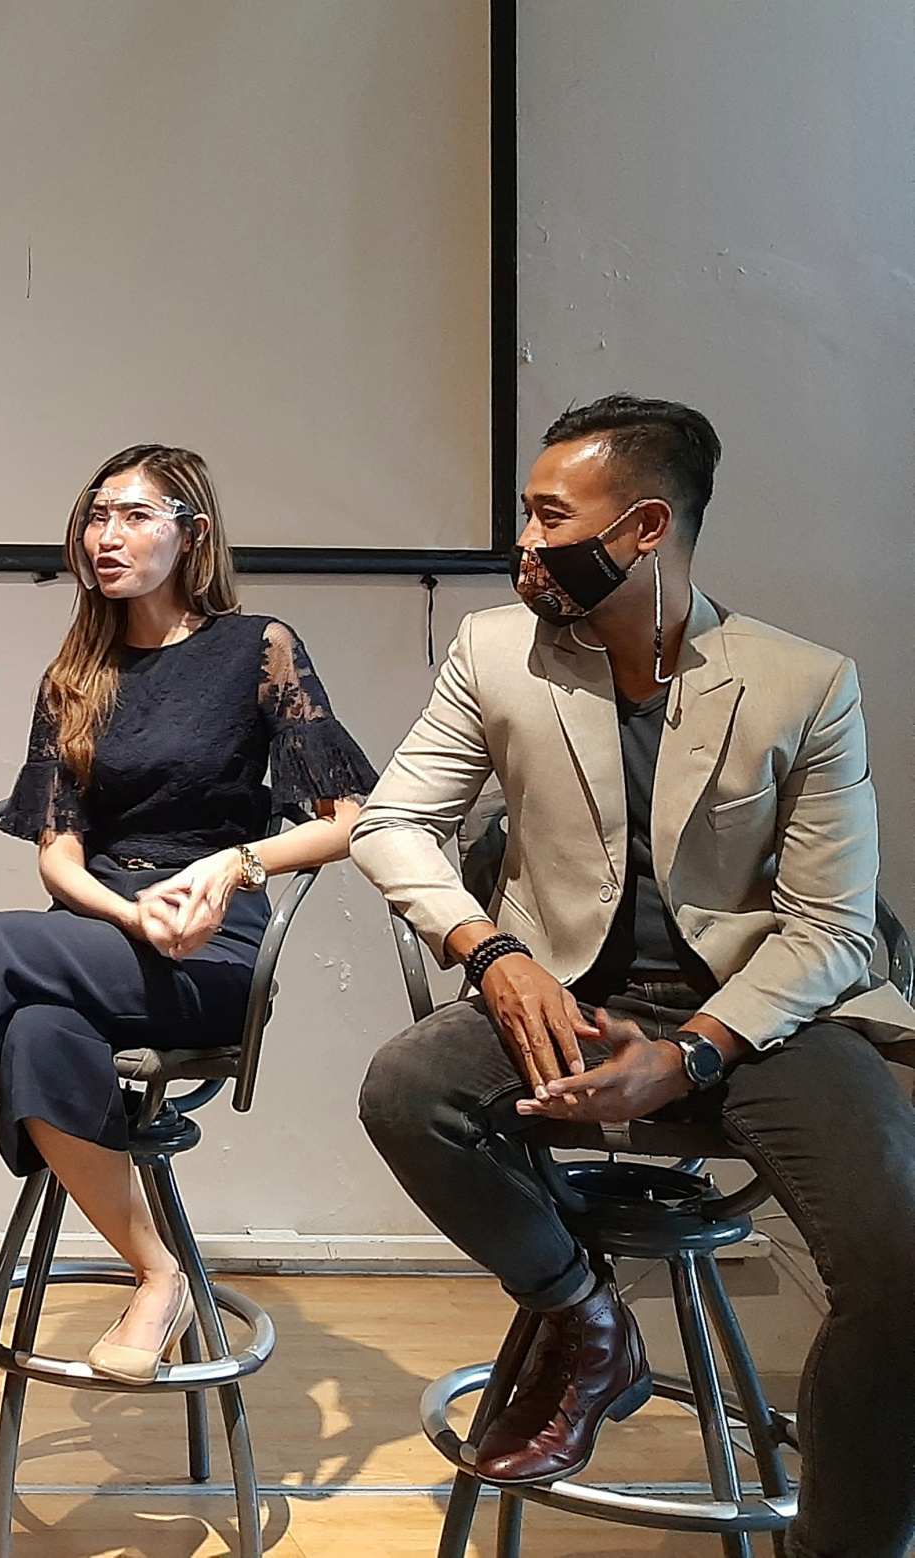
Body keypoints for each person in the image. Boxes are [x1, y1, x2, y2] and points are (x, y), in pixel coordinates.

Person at [353, 394, 915, 1554]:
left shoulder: (804, 682)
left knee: (898, 1261)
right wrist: (489, 951)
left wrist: (694, 1051)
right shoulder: (491, 650)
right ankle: (580, 1315)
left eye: (548, 516)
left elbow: (832, 926)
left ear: (645, 526)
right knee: (403, 1090)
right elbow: (396, 819)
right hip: (560, 993)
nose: (522, 541)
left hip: (762, 1015)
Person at [0, 445, 376, 1390]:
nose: (106, 536)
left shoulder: (258, 647)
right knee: (33, 1030)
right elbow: (58, 854)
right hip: (105, 939)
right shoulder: (75, 673)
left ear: (193, 532)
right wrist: (129, 911)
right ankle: (157, 1277)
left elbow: (349, 824)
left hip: (214, 952)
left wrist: (233, 868)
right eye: (96, 516)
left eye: (134, 516)